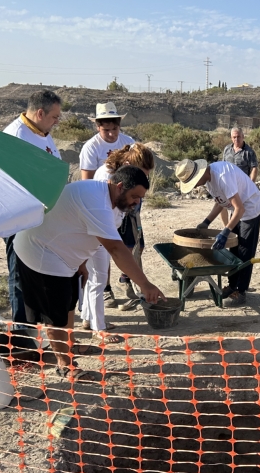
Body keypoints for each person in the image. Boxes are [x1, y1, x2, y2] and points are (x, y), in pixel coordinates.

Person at [13, 166, 164, 382]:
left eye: (140, 198)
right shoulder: (96, 201)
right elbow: (116, 249)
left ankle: (69, 346)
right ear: (119, 187)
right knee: (55, 314)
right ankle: (64, 364)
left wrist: (81, 263)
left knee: (69, 305)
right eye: (134, 196)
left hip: (64, 255)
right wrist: (145, 285)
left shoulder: (110, 200)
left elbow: (82, 229)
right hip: (41, 253)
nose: (136, 202)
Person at [2, 90, 62, 345]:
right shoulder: (16, 137)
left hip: (41, 215)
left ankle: (34, 325)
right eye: (54, 116)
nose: (57, 121)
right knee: (19, 274)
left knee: (37, 272)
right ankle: (20, 333)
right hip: (20, 217)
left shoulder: (42, 133)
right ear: (40, 113)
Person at [78, 144, 156, 338]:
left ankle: (89, 318)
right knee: (99, 277)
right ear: (129, 164)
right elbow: (109, 211)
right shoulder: (108, 176)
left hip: (100, 228)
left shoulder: (113, 173)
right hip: (98, 230)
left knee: (93, 276)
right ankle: (99, 328)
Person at [175, 158, 260, 307]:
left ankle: (241, 291)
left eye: (194, 182)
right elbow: (220, 201)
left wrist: (225, 231)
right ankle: (232, 285)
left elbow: (240, 209)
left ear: (200, 175)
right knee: (234, 251)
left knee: (244, 251)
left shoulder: (222, 177)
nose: (195, 186)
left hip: (250, 209)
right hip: (237, 210)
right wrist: (207, 221)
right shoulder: (210, 180)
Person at [79, 102, 136, 309]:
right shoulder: (91, 148)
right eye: (107, 130)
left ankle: (126, 279)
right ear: (98, 127)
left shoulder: (128, 143)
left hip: (126, 204)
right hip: (102, 207)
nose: (112, 134)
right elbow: (86, 183)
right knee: (104, 249)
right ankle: (105, 290)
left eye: (115, 129)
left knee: (129, 244)